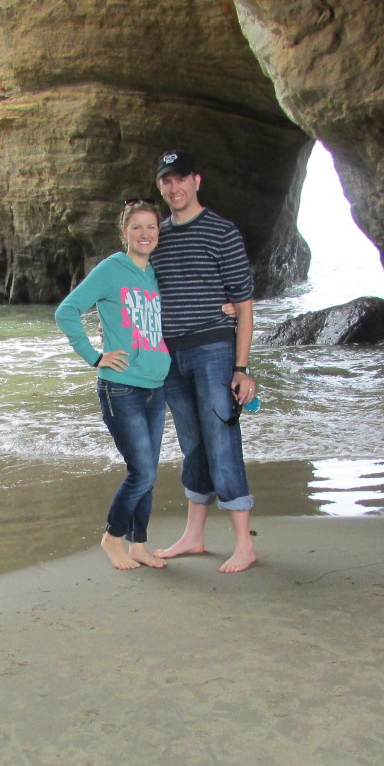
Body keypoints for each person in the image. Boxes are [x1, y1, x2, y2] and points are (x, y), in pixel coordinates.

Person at [149, 149, 258, 573]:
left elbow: (244, 307)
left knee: (221, 440)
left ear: (196, 181)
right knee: (192, 444)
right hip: (169, 355)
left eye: (181, 178)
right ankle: (194, 537)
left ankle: (244, 545)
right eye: (166, 180)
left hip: (213, 350)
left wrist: (241, 369)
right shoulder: (156, 236)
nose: (174, 187)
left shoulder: (222, 232)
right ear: (160, 186)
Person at [54, 199, 173, 571]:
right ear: (124, 232)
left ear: (159, 232)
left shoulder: (158, 274)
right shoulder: (111, 269)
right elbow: (66, 311)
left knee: (149, 474)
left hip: (157, 387)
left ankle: (139, 545)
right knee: (143, 472)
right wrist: (94, 356)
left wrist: (227, 308)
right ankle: (112, 537)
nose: (144, 234)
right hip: (121, 388)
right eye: (136, 226)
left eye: (151, 226)